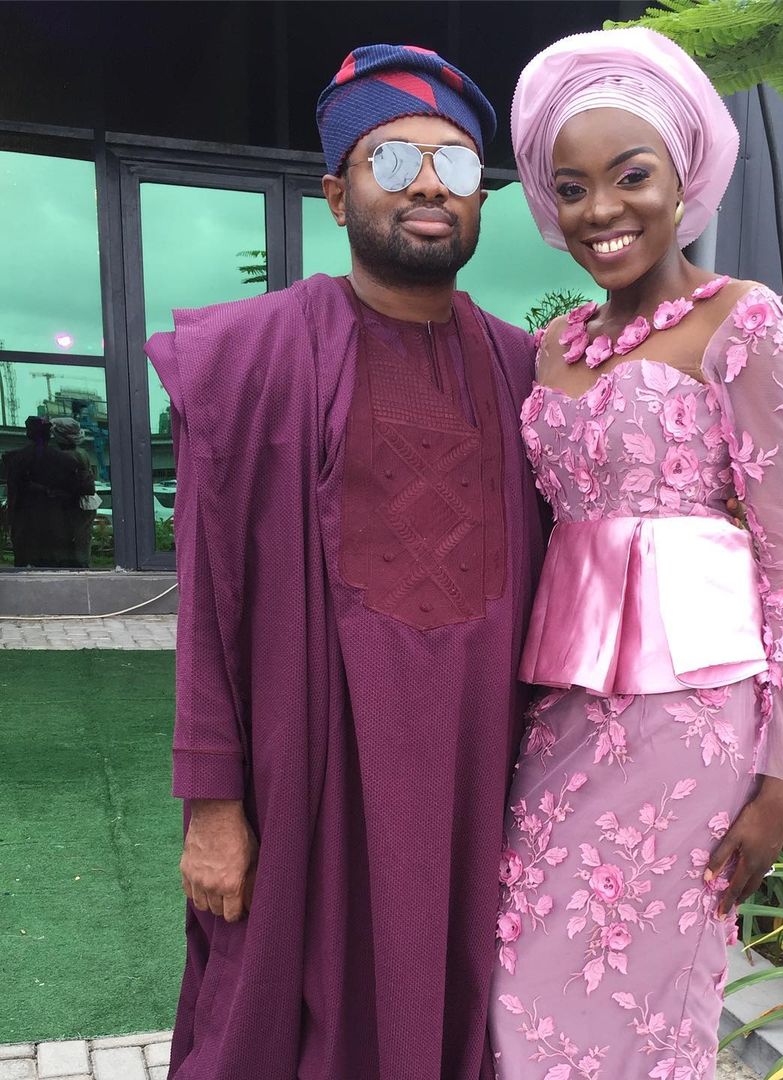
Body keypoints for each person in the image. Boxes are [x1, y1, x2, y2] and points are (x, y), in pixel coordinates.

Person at [145, 44, 544, 1080]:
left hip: (473, 787)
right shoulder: (252, 358)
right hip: (303, 783)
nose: (429, 185)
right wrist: (212, 808)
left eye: (457, 165)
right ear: (335, 194)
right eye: (393, 159)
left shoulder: (530, 375)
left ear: (482, 198)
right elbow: (207, 607)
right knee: (268, 1029)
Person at [488, 28, 783, 1078]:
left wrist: (779, 777)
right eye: (572, 188)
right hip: (560, 713)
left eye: (631, 176)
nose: (602, 210)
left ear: (685, 178)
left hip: (692, 724)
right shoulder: (554, 347)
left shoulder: (745, 323)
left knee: (639, 1007)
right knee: (514, 981)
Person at [2, 416, 94, 567]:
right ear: (49, 434)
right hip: (57, 526)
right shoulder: (66, 460)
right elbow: (85, 489)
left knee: (24, 570)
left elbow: (13, 495)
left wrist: (10, 521)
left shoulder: (15, 460)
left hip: (24, 526)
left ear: (28, 434)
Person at [50, 416, 98, 567]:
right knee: (83, 542)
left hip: (72, 506)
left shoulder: (64, 457)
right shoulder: (82, 453)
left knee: (68, 545)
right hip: (87, 505)